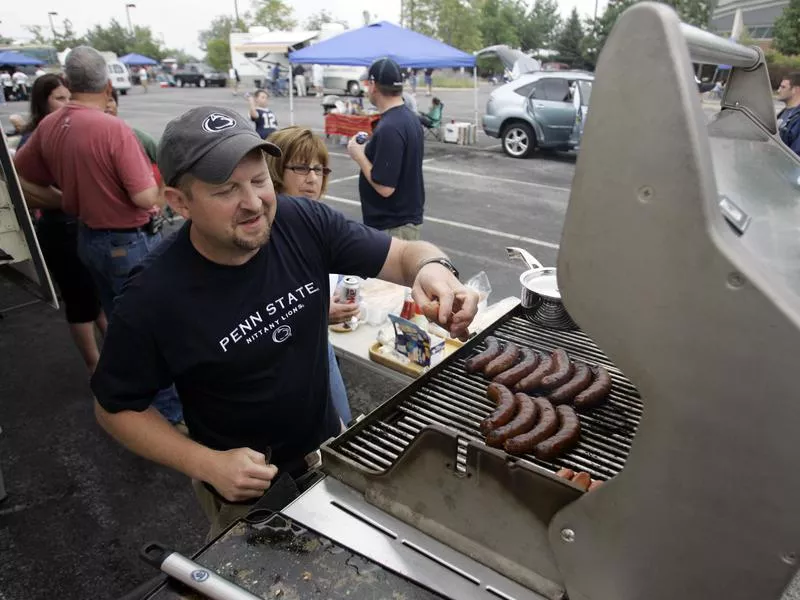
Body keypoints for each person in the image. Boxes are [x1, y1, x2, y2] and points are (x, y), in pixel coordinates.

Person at [91, 105, 478, 538]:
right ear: (180, 202)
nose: (254, 203)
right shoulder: (152, 296)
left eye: (259, 180)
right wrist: (206, 464)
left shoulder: (301, 221)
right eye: (226, 190)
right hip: (245, 491)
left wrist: (434, 269)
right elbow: (115, 408)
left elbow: (405, 255)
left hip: (331, 449)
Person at [14, 46, 183, 424]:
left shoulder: (51, 124)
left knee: (120, 325)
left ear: (69, 83)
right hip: (127, 242)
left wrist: (60, 199)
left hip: (88, 239)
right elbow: (143, 197)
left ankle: (127, 396)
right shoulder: (113, 128)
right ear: (108, 85)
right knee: (152, 326)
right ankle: (169, 414)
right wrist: (164, 183)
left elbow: (19, 176)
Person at [17, 73, 107, 373]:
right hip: (61, 229)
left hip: (83, 225)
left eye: (70, 98)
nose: (67, 104)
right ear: (43, 101)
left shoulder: (66, 133)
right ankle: (95, 368)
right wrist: (70, 199)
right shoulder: (38, 137)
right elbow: (22, 186)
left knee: (96, 294)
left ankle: (116, 355)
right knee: (80, 301)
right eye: (60, 98)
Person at [265, 126, 355, 424]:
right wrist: (316, 311)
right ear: (275, 170)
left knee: (340, 422)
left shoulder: (316, 221)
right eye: (301, 168)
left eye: (319, 169)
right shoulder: (261, 231)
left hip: (318, 344)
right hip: (279, 363)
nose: (313, 178)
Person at [348, 57, 425, 241]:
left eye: (368, 84)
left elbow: (385, 188)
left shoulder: (390, 126)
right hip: (402, 222)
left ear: (373, 85)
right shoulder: (409, 118)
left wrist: (359, 155)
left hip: (393, 227)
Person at [105, 88, 159, 163]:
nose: (107, 105)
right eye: (100, 102)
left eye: (110, 100)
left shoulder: (140, 138)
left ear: (116, 104)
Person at [777, 73, 800, 156]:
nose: (778, 90)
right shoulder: (783, 113)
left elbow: (796, 155)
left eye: (783, 87)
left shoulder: (797, 118)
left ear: (795, 90)